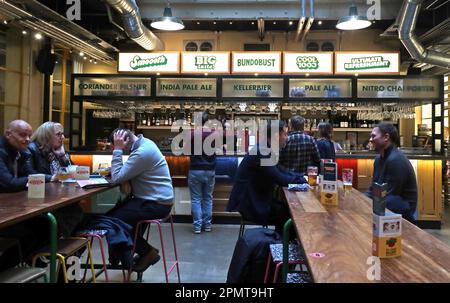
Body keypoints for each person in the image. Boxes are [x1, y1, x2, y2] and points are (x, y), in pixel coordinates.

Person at [107, 128, 174, 273]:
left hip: (155, 204)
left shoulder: (142, 152)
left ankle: (147, 253)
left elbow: (117, 177)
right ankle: (123, 257)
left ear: (126, 141)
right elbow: (125, 174)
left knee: (112, 220)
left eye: (119, 145)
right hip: (155, 200)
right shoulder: (145, 143)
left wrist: (117, 151)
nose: (121, 150)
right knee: (119, 217)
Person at [227, 120, 307, 234]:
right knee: (291, 213)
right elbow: (280, 178)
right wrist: (303, 180)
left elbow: (281, 171)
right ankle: (283, 246)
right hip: (252, 204)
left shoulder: (265, 149)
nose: (287, 137)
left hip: (256, 199)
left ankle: (283, 245)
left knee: (288, 210)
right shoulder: (263, 152)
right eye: (285, 134)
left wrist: (303, 177)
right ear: (276, 136)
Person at [27, 121, 84, 238]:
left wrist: (63, 157)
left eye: (63, 134)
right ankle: (56, 245)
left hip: (58, 196)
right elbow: (30, 174)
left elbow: (74, 172)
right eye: (58, 134)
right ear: (46, 136)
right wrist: (51, 177)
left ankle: (62, 245)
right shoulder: (33, 149)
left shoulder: (58, 150)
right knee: (73, 212)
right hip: (40, 199)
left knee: (76, 211)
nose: (63, 137)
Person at [366, 123, 417, 223]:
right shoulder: (379, 159)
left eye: (373, 136)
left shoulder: (396, 160)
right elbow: (374, 189)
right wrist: (358, 201)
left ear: (386, 137)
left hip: (402, 217)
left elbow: (389, 196)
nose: (370, 140)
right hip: (387, 208)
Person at [188, 112, 219, 234]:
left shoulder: (192, 134)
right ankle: (207, 226)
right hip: (210, 170)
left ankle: (197, 227)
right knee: (208, 198)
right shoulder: (214, 134)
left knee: (196, 199)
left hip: (195, 169)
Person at [0, 120, 33, 192]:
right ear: (8, 134)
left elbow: (31, 174)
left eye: (29, 136)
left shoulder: (22, 152)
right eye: (23, 135)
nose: (28, 139)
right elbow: (9, 183)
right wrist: (33, 180)